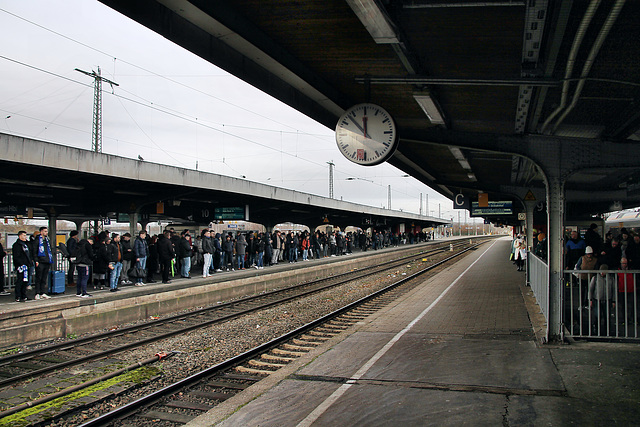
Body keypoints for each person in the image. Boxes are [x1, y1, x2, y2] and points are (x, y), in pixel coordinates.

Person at [588, 264, 615, 335]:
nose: (602, 273)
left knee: (607, 316)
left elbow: (614, 290)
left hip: (607, 300)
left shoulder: (611, 279)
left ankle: (607, 330)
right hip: (597, 300)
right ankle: (596, 329)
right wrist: (590, 299)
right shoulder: (595, 278)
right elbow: (591, 289)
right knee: (598, 315)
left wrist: (613, 300)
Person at [616, 258, 636, 335]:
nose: (624, 265)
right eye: (623, 263)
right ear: (620, 263)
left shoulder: (631, 269)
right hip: (622, 290)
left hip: (630, 290)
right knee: (623, 306)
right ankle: (625, 320)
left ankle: (632, 319)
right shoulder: (618, 271)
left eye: (625, 263)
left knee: (632, 305)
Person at [12, 231, 33, 302]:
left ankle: (24, 295)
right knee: (20, 280)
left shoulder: (26, 244)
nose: (25, 237)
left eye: (25, 235)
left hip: (27, 265)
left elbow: (30, 252)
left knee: (25, 281)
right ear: (20, 236)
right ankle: (18, 296)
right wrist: (20, 264)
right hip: (21, 266)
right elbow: (16, 256)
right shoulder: (17, 245)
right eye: (24, 235)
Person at [34, 226, 53, 300]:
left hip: (47, 261)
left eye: (47, 231)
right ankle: (37, 292)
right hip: (40, 261)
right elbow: (34, 251)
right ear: (41, 232)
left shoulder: (47, 240)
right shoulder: (37, 241)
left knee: (44, 278)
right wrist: (36, 260)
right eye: (45, 231)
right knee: (39, 277)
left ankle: (42, 292)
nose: (46, 233)